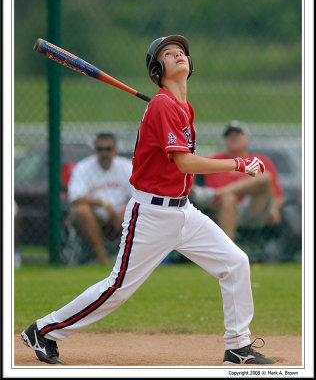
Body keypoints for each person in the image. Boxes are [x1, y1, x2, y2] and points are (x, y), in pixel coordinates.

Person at [21, 35, 275, 365]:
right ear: (158, 70)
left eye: (182, 52)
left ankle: (238, 347)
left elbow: (179, 165)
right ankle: (43, 330)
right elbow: (184, 163)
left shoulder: (181, 107)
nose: (179, 55)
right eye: (169, 54)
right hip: (152, 215)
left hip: (184, 212)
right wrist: (237, 163)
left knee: (235, 262)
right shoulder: (162, 105)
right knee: (118, 289)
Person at [191, 121, 284, 241]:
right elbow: (190, 176)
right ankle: (229, 250)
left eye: (238, 134)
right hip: (220, 208)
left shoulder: (262, 161)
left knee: (265, 177)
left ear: (247, 139)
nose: (233, 138)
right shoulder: (214, 159)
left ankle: (217, 192)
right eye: (229, 136)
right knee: (228, 198)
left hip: (252, 209)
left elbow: (278, 195)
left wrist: (274, 209)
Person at [66, 133, 133, 265]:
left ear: (115, 150)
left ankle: (129, 260)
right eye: (100, 149)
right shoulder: (83, 168)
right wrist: (104, 204)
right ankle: (103, 259)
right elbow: (75, 198)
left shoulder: (126, 167)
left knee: (133, 212)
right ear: (95, 151)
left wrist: (124, 210)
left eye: (108, 149)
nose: (104, 153)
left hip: (120, 215)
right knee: (82, 211)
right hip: (94, 216)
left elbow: (138, 195)